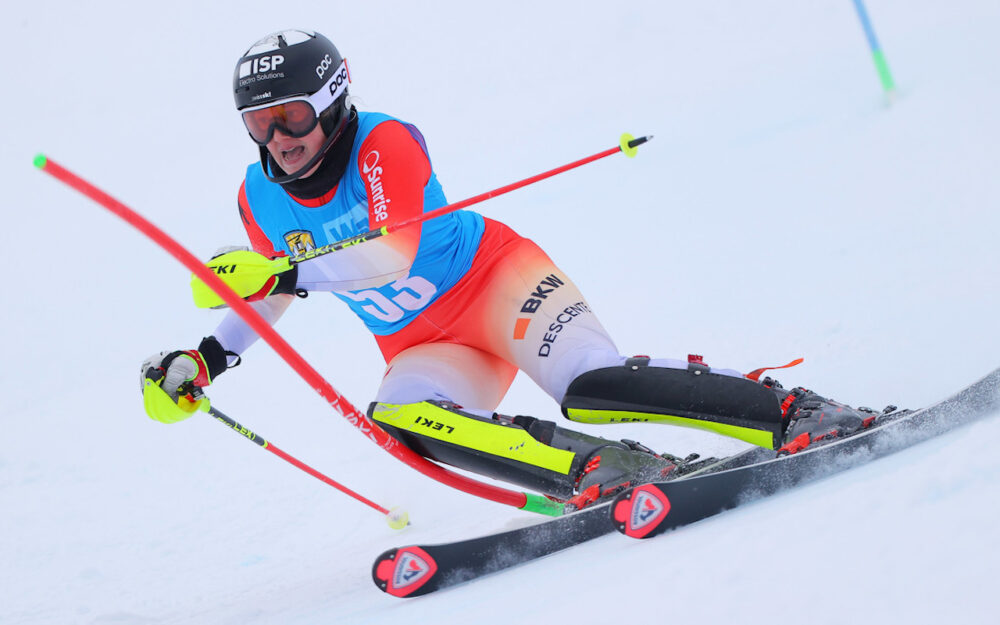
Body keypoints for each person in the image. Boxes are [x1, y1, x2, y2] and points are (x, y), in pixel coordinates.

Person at [141, 29, 876, 511]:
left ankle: (795, 412)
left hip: (497, 287)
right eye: (258, 123)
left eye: (292, 116)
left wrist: (279, 275)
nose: (279, 139)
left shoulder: (383, 143)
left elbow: (388, 255)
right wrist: (207, 358)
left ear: (332, 100)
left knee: (591, 387)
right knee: (398, 418)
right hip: (425, 345)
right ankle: (602, 467)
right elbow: (269, 293)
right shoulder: (257, 195)